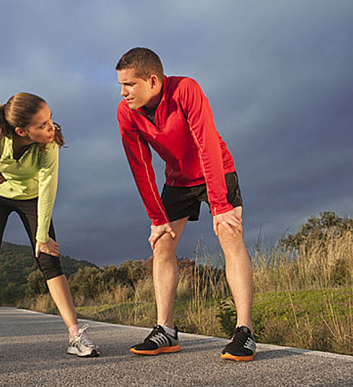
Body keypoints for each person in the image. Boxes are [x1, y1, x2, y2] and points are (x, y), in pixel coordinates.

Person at [115, 48, 256, 361]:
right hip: (178, 180)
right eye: (120, 86)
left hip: (216, 170)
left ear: (153, 80)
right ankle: (165, 330)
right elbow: (140, 166)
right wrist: (156, 217)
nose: (123, 93)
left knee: (230, 235)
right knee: (162, 244)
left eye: (129, 85)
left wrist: (219, 204)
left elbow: (206, 142)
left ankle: (244, 331)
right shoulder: (126, 113)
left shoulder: (186, 90)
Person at [0, 92, 99, 365]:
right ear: (21, 130)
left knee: (49, 258)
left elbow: (48, 186)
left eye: (50, 120)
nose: (52, 128)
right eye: (42, 125)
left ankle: (76, 336)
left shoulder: (49, 145)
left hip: (33, 198)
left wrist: (41, 238)